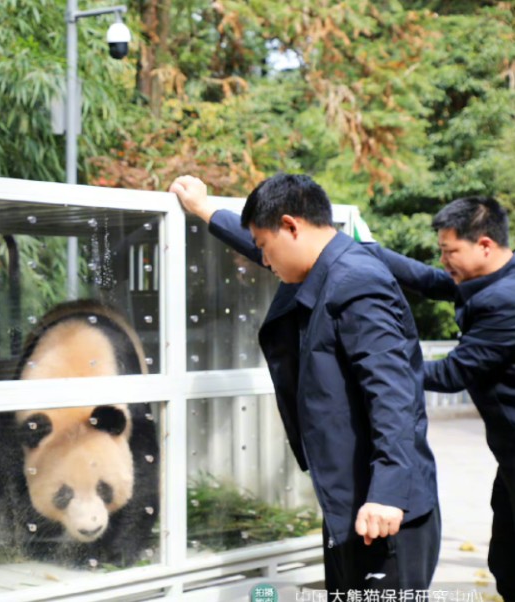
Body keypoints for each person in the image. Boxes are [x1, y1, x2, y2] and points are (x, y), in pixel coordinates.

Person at [170, 174, 440, 593]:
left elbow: (393, 394)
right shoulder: (324, 267)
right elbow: (268, 248)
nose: (262, 259)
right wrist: (205, 210)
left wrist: (387, 492)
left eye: (263, 245)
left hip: (386, 512)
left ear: (292, 226)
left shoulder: (357, 282)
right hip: (350, 503)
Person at [360, 196, 515, 599]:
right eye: (442, 251)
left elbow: (452, 374)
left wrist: (381, 370)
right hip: (509, 453)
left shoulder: (506, 300)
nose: (445, 260)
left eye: (451, 251)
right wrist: (368, 251)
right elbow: (431, 281)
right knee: (506, 562)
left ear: (484, 244)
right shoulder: (495, 278)